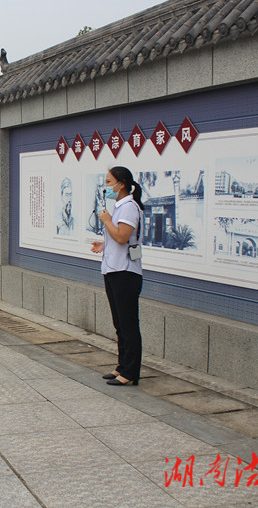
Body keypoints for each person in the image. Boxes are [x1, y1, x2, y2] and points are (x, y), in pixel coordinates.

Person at [91, 166, 145, 387]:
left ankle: (130, 372)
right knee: (119, 323)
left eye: (108, 182)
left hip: (125, 273)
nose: (106, 187)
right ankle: (122, 366)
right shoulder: (120, 207)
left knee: (128, 323)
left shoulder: (129, 207)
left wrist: (106, 221)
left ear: (121, 184)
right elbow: (118, 238)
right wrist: (104, 243)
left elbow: (122, 237)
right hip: (113, 269)